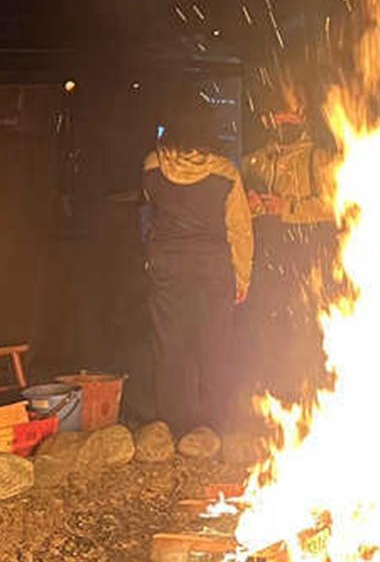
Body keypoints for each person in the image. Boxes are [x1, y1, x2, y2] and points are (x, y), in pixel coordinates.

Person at [142, 96, 253, 431]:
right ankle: (215, 423)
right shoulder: (225, 171)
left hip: (167, 267)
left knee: (170, 344)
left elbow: (150, 208)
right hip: (212, 268)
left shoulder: (152, 164)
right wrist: (242, 275)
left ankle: (173, 425)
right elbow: (240, 228)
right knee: (214, 343)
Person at [241, 83, 336, 404]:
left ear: (304, 113)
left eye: (289, 113)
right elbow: (236, 211)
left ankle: (307, 397)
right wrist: (252, 206)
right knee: (265, 325)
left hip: (305, 255)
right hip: (265, 255)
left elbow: (334, 207)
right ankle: (269, 401)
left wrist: (287, 208)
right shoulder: (253, 162)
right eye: (274, 115)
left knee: (305, 326)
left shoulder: (321, 160)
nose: (282, 121)